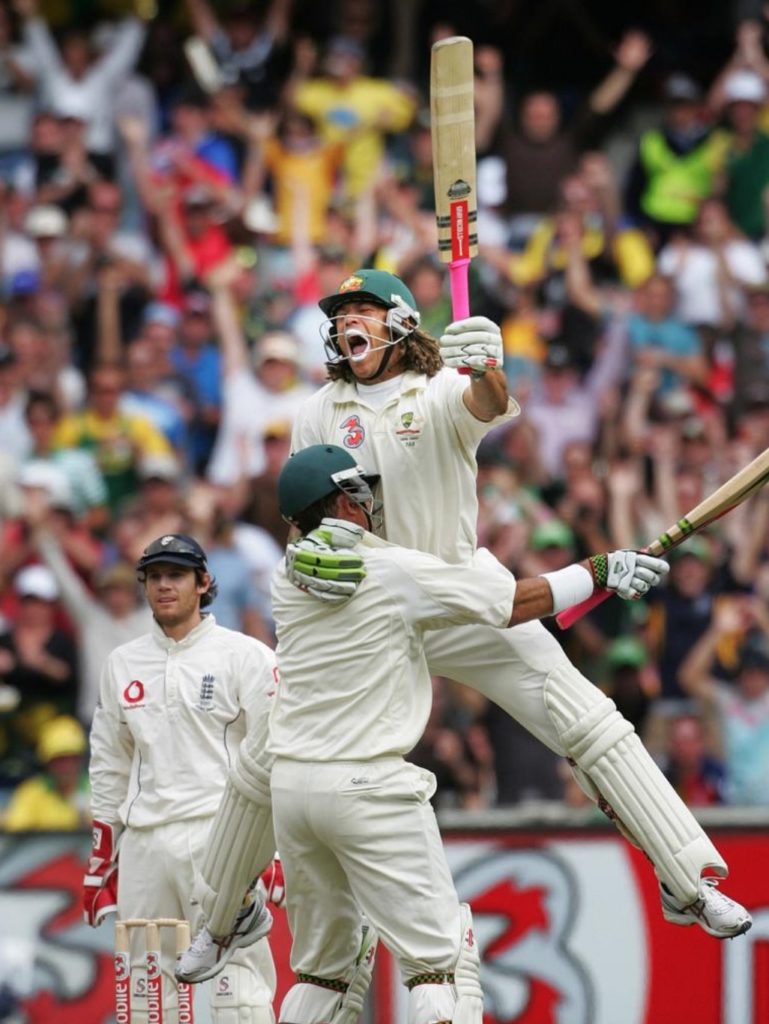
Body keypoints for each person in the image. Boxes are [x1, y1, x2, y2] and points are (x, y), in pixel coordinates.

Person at [284, 268, 750, 939]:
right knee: (285, 742)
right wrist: (300, 554)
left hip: (462, 595)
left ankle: (690, 882)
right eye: (338, 314)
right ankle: (224, 910)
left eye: (361, 309)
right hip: (371, 608)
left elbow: (485, 402)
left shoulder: (438, 389)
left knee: (589, 721)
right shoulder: (316, 410)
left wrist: (486, 367)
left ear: (401, 322)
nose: (345, 323)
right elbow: (304, 509)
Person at [175, 442, 670, 1008]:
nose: (369, 506)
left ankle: (218, 931)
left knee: (321, 977)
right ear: (341, 503)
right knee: (439, 968)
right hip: (369, 789)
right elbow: (512, 604)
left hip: (293, 791)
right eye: (357, 495)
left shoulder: (290, 579)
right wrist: (601, 569)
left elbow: (320, 557)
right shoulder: (395, 570)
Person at [84, 533, 277, 1023]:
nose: (164, 586)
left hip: (221, 837)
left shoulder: (245, 656)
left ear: (203, 583)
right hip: (146, 843)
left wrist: (272, 848)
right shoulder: (122, 663)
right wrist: (103, 856)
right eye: (155, 578)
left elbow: (277, 752)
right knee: (148, 994)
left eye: (177, 576)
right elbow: (110, 761)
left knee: (238, 990)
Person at [3, 714, 90, 831]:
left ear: (79, 760)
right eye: (58, 760)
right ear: (47, 763)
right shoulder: (30, 793)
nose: (65, 766)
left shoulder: (98, 791)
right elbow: (14, 832)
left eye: (70, 758)